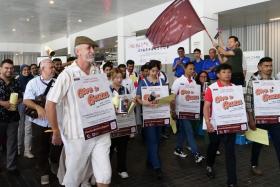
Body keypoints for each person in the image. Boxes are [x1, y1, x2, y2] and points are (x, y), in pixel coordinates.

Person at [45, 36, 111, 187]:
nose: (93, 51)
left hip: (101, 130)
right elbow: (50, 104)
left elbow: (103, 98)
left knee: (105, 175)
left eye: (93, 48)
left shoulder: (97, 72)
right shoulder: (67, 75)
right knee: (73, 179)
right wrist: (55, 130)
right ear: (78, 51)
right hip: (78, 135)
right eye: (89, 48)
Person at [23, 58, 57, 185]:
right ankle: (44, 172)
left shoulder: (58, 82)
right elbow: (26, 100)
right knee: (40, 148)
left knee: (56, 147)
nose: (53, 69)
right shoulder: (33, 83)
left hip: (55, 122)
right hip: (39, 122)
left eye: (53, 67)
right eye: (51, 67)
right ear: (42, 69)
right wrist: (38, 107)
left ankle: (53, 164)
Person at [204, 64, 237, 187]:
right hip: (215, 125)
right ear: (218, 74)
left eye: (229, 72)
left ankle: (232, 181)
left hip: (230, 126)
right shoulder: (212, 88)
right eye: (224, 72)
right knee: (213, 146)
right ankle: (209, 165)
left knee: (230, 153)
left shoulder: (235, 88)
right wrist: (207, 122)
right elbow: (206, 106)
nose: (227, 74)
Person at [245, 57, 280, 176]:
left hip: (274, 119)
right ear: (259, 67)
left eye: (270, 65)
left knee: (278, 142)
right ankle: (254, 165)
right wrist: (251, 119)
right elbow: (248, 101)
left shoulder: (275, 79)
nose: (269, 68)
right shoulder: (253, 81)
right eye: (266, 66)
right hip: (259, 119)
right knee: (257, 144)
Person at [136, 60, 167, 179]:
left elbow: (165, 96)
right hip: (148, 116)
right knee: (152, 140)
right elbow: (138, 98)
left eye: (157, 71)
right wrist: (146, 103)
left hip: (160, 115)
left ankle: (150, 159)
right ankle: (157, 166)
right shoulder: (143, 82)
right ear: (148, 71)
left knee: (157, 140)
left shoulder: (161, 81)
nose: (155, 73)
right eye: (153, 71)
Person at [171, 62, 204, 163]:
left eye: (193, 69)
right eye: (190, 69)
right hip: (181, 112)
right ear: (185, 69)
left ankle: (178, 149)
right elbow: (172, 97)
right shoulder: (178, 81)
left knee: (184, 132)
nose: (192, 71)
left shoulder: (194, 82)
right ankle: (196, 154)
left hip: (190, 112)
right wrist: (173, 111)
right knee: (189, 131)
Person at [0, 59, 22, 175]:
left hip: (13, 118)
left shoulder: (16, 82)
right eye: (6, 68)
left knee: (12, 143)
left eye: (11, 68)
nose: (9, 70)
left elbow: (21, 97)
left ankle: (11, 167)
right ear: (1, 68)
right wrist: (3, 103)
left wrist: (16, 102)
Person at [109, 68, 131, 179]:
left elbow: (129, 105)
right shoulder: (107, 90)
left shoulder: (125, 90)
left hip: (123, 123)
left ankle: (121, 169)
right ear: (112, 78)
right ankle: (105, 171)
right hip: (111, 124)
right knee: (109, 148)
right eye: (116, 77)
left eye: (120, 77)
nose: (119, 80)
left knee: (123, 147)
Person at [17, 64, 34, 158]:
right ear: (21, 71)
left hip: (31, 105)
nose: (26, 71)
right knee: (20, 127)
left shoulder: (33, 80)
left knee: (28, 128)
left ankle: (27, 150)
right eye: (24, 70)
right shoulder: (17, 80)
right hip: (20, 104)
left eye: (28, 70)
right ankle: (18, 149)